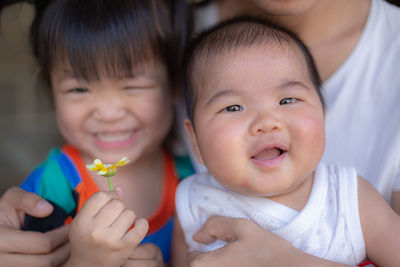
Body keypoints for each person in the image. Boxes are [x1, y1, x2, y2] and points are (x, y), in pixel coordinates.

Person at [172, 16, 400, 267]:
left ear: (323, 113)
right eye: (233, 107)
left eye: (287, 100)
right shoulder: (193, 203)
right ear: (195, 139)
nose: (267, 122)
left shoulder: (349, 199)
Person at [0, 0, 193, 266]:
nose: (108, 113)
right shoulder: (54, 189)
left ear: (175, 83)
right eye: (79, 90)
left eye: (133, 86)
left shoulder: (190, 179)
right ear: (49, 87)